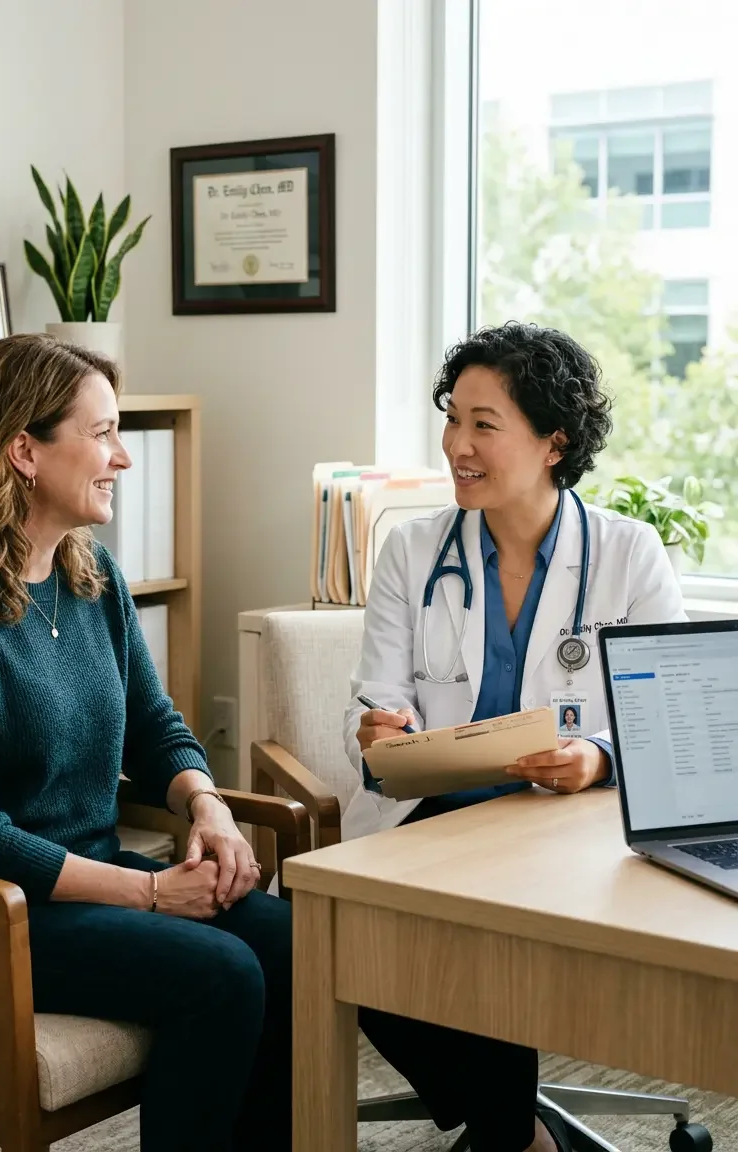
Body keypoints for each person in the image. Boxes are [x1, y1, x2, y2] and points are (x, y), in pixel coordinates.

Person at [0, 333, 292, 1152]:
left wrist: (210, 808)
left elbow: (156, 729)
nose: (123, 458)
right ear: (23, 449)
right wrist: (157, 894)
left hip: (72, 880)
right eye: (102, 434)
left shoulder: (93, 578)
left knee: (290, 943)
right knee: (223, 974)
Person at [341, 322, 686, 1152]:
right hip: (430, 816)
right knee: (338, 934)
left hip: (562, 824)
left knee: (488, 934)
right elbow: (378, 703)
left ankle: (505, 1133)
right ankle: (520, 1134)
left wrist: (595, 756)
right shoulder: (412, 549)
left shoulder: (629, 554)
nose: (457, 444)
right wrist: (379, 730)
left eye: (483, 425)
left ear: (553, 441)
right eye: (452, 418)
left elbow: (668, 725)